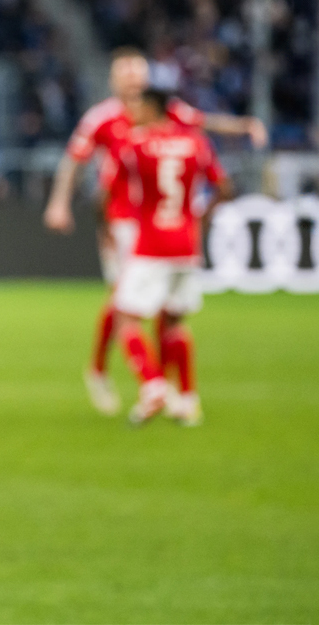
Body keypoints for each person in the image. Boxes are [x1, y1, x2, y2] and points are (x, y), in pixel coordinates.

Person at [43, 49, 264, 416]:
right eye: (125, 74)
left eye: (138, 74)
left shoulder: (167, 111)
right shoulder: (101, 118)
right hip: (121, 221)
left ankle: (160, 384)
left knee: (162, 307)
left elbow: (205, 121)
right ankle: (105, 372)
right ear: (113, 80)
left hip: (155, 222)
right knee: (124, 300)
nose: (133, 81)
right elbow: (74, 161)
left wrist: (244, 125)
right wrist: (59, 203)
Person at [107, 85, 232, 426]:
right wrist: (200, 218)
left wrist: (108, 230)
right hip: (186, 244)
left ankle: (153, 385)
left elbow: (107, 190)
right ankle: (188, 401)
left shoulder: (133, 143)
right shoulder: (196, 143)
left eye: (138, 106)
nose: (132, 112)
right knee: (175, 323)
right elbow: (224, 187)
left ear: (153, 108)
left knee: (125, 320)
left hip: (150, 244)